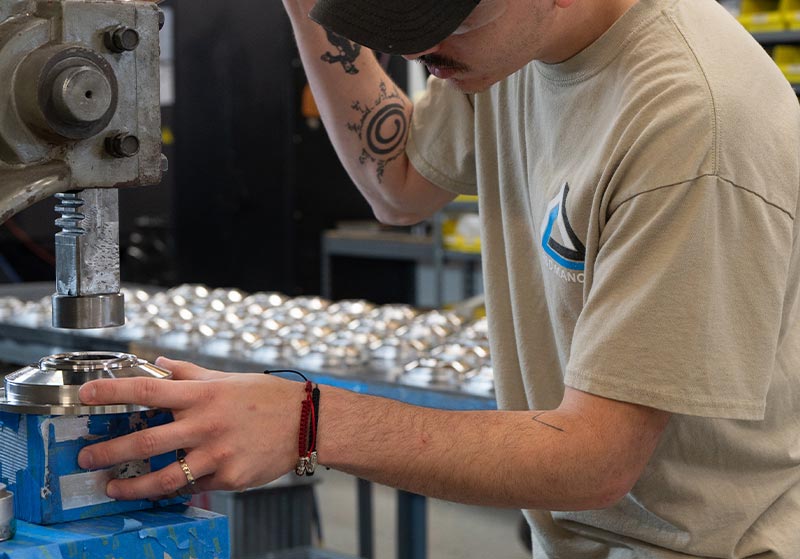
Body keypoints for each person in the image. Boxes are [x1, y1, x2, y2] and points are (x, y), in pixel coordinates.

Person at [77, 0, 800, 556]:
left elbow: (595, 459)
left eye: (440, 20)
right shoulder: (509, 48)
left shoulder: (690, 119)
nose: (417, 49)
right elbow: (400, 179)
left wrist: (309, 418)